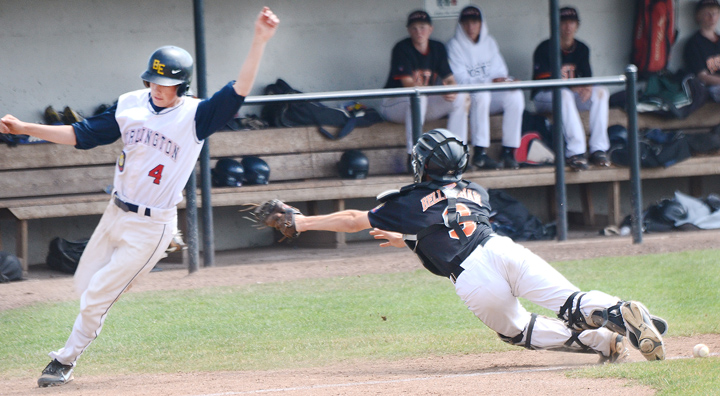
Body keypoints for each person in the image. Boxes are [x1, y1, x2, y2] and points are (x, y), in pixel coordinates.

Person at [0, 7, 279, 388]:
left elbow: (239, 91)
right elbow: (82, 134)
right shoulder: (131, 103)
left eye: (167, 84)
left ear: (183, 86)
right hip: (114, 214)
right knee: (84, 287)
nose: (158, 89)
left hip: (151, 223)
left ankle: (64, 360)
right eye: (153, 81)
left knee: (96, 296)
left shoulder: (198, 116)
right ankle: (132, 272)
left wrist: (259, 39)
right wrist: (24, 128)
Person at [272, 129, 667, 364]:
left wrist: (302, 221)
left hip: (471, 277)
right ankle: (617, 312)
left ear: (424, 166)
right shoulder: (477, 190)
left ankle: (605, 340)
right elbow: (448, 223)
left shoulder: (408, 199)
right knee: (571, 302)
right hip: (502, 249)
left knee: (517, 330)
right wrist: (410, 238)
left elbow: (356, 219)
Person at [379, 10, 469, 169]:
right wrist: (440, 90)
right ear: (409, 30)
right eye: (414, 28)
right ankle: (413, 156)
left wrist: (451, 89)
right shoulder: (402, 48)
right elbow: (409, 85)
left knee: (460, 97)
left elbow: (449, 78)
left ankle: (457, 154)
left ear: (430, 29)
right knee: (418, 97)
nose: (419, 31)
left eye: (422, 27)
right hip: (393, 105)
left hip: (423, 105)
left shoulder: (437, 47)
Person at [531, 6, 610, 171]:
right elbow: (544, 80)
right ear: (556, 25)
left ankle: (598, 149)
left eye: (571, 22)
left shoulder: (582, 48)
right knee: (564, 93)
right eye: (564, 22)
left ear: (577, 25)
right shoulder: (545, 48)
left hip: (568, 95)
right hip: (544, 97)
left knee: (601, 92)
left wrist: (587, 87)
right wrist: (572, 86)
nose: (568, 26)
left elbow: (587, 78)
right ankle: (576, 152)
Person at [446, 5, 523, 170]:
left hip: (488, 94)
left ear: (481, 24)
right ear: (460, 25)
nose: (471, 27)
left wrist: (506, 80)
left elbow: (500, 72)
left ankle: (509, 151)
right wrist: (488, 82)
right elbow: (459, 79)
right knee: (482, 94)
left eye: (475, 22)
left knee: (515, 95)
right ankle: (480, 152)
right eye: (466, 23)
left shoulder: (490, 43)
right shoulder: (454, 45)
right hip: (469, 97)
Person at [684, 0, 720, 102]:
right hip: (710, 87)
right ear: (698, 16)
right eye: (707, 13)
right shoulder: (694, 43)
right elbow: (703, 77)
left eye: (715, 13)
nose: (712, 18)